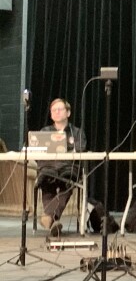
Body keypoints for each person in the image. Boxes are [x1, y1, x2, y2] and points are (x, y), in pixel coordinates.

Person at [35, 98, 86, 237]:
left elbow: (81, 149)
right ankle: (54, 220)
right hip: (48, 167)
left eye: (60, 109)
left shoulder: (76, 132)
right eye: (53, 110)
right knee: (45, 181)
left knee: (67, 183)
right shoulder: (44, 131)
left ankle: (49, 216)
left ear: (68, 113)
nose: (56, 112)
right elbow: (37, 152)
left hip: (67, 169)